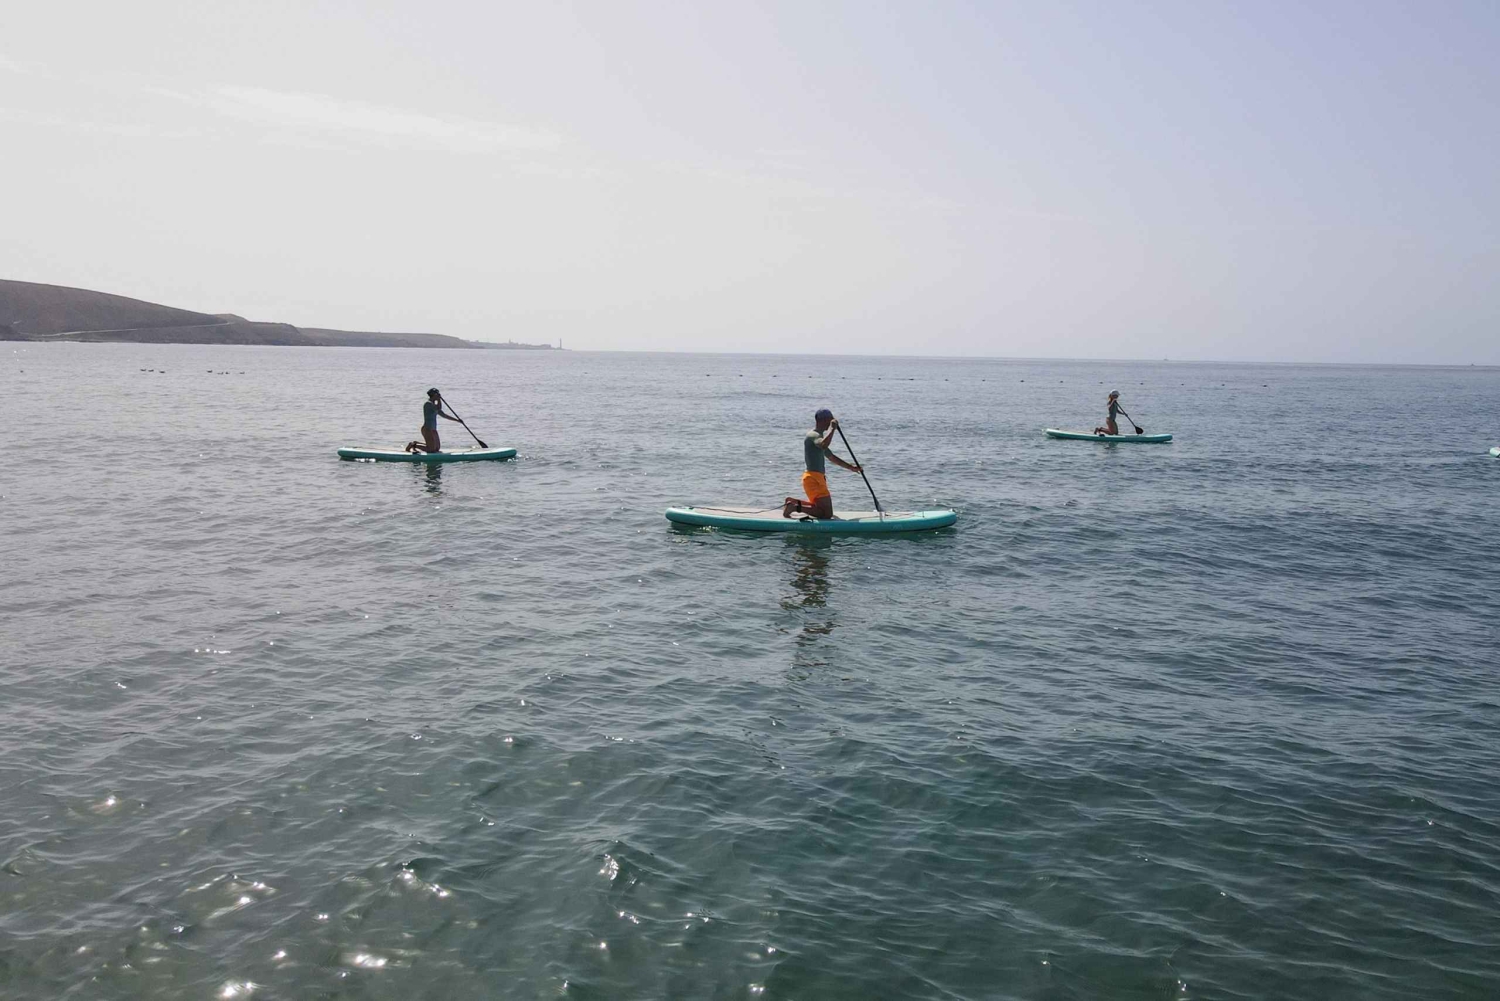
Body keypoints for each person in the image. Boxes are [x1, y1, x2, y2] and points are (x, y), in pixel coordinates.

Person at [783, 408, 862, 519]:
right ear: (823, 420)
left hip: (815, 478)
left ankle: (792, 503)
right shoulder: (813, 435)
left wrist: (851, 468)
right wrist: (832, 429)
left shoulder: (819, 438)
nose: (831, 422)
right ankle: (794, 507)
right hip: (814, 479)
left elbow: (832, 457)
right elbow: (824, 445)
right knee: (826, 514)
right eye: (830, 420)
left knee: (821, 509)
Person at [406, 388, 461, 453]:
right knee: (431, 450)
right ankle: (413, 445)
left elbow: (444, 415)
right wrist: (439, 399)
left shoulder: (433, 405)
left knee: (436, 449)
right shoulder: (428, 404)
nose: (439, 395)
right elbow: (438, 408)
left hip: (433, 429)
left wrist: (457, 420)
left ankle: (416, 443)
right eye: (437, 394)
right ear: (434, 395)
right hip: (427, 429)